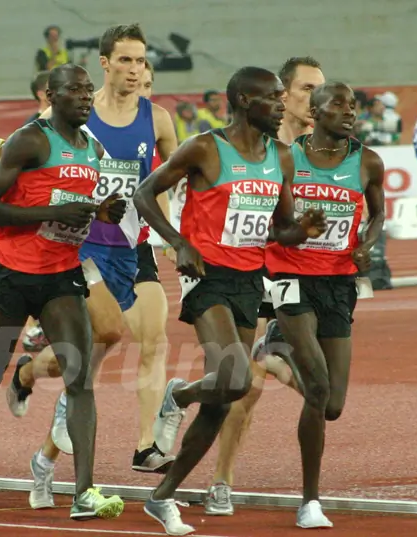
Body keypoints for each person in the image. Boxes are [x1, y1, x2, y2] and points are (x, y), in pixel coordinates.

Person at [0, 64, 127, 520]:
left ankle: (84, 493)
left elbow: (71, 208)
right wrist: (52, 213)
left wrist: (100, 212)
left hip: (61, 275)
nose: (85, 96)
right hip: (11, 272)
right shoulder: (31, 140)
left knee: (80, 377)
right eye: (74, 89)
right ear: (51, 95)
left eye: (89, 89)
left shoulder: (94, 148)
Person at [132, 66, 327, 535]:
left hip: (249, 280)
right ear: (243, 100)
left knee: (221, 399)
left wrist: (300, 231)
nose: (282, 106)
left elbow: (279, 229)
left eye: (283, 98)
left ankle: (162, 497)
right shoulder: (205, 147)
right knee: (237, 377)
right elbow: (144, 193)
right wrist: (178, 242)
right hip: (206, 276)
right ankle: (176, 396)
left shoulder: (280, 157)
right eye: (273, 99)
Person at [10, 26, 179, 512]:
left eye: (140, 61)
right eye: (125, 60)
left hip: (130, 246)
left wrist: (173, 236)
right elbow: (27, 161)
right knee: (104, 338)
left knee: (107, 355)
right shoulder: (72, 115)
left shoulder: (159, 120)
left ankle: (49, 456)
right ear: (105, 63)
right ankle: (73, 474)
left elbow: (166, 178)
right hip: (78, 248)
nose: (134, 70)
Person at [205, 56, 325, 516]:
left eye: (321, 88)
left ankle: (272, 361)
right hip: (255, 273)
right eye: (306, 89)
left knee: (320, 390)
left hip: (304, 281)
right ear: (285, 94)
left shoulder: (325, 147)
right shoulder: (259, 145)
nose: (316, 98)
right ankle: (222, 481)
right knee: (244, 387)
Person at [266, 82, 384, 528]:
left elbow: (378, 215)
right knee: (316, 391)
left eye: (352, 105)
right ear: (314, 112)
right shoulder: (286, 159)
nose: (349, 111)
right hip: (290, 276)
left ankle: (276, 356)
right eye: (338, 104)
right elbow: (271, 221)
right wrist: (293, 233)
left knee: (332, 404)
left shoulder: (367, 161)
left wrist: (366, 246)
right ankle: (309, 501)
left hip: (338, 283)